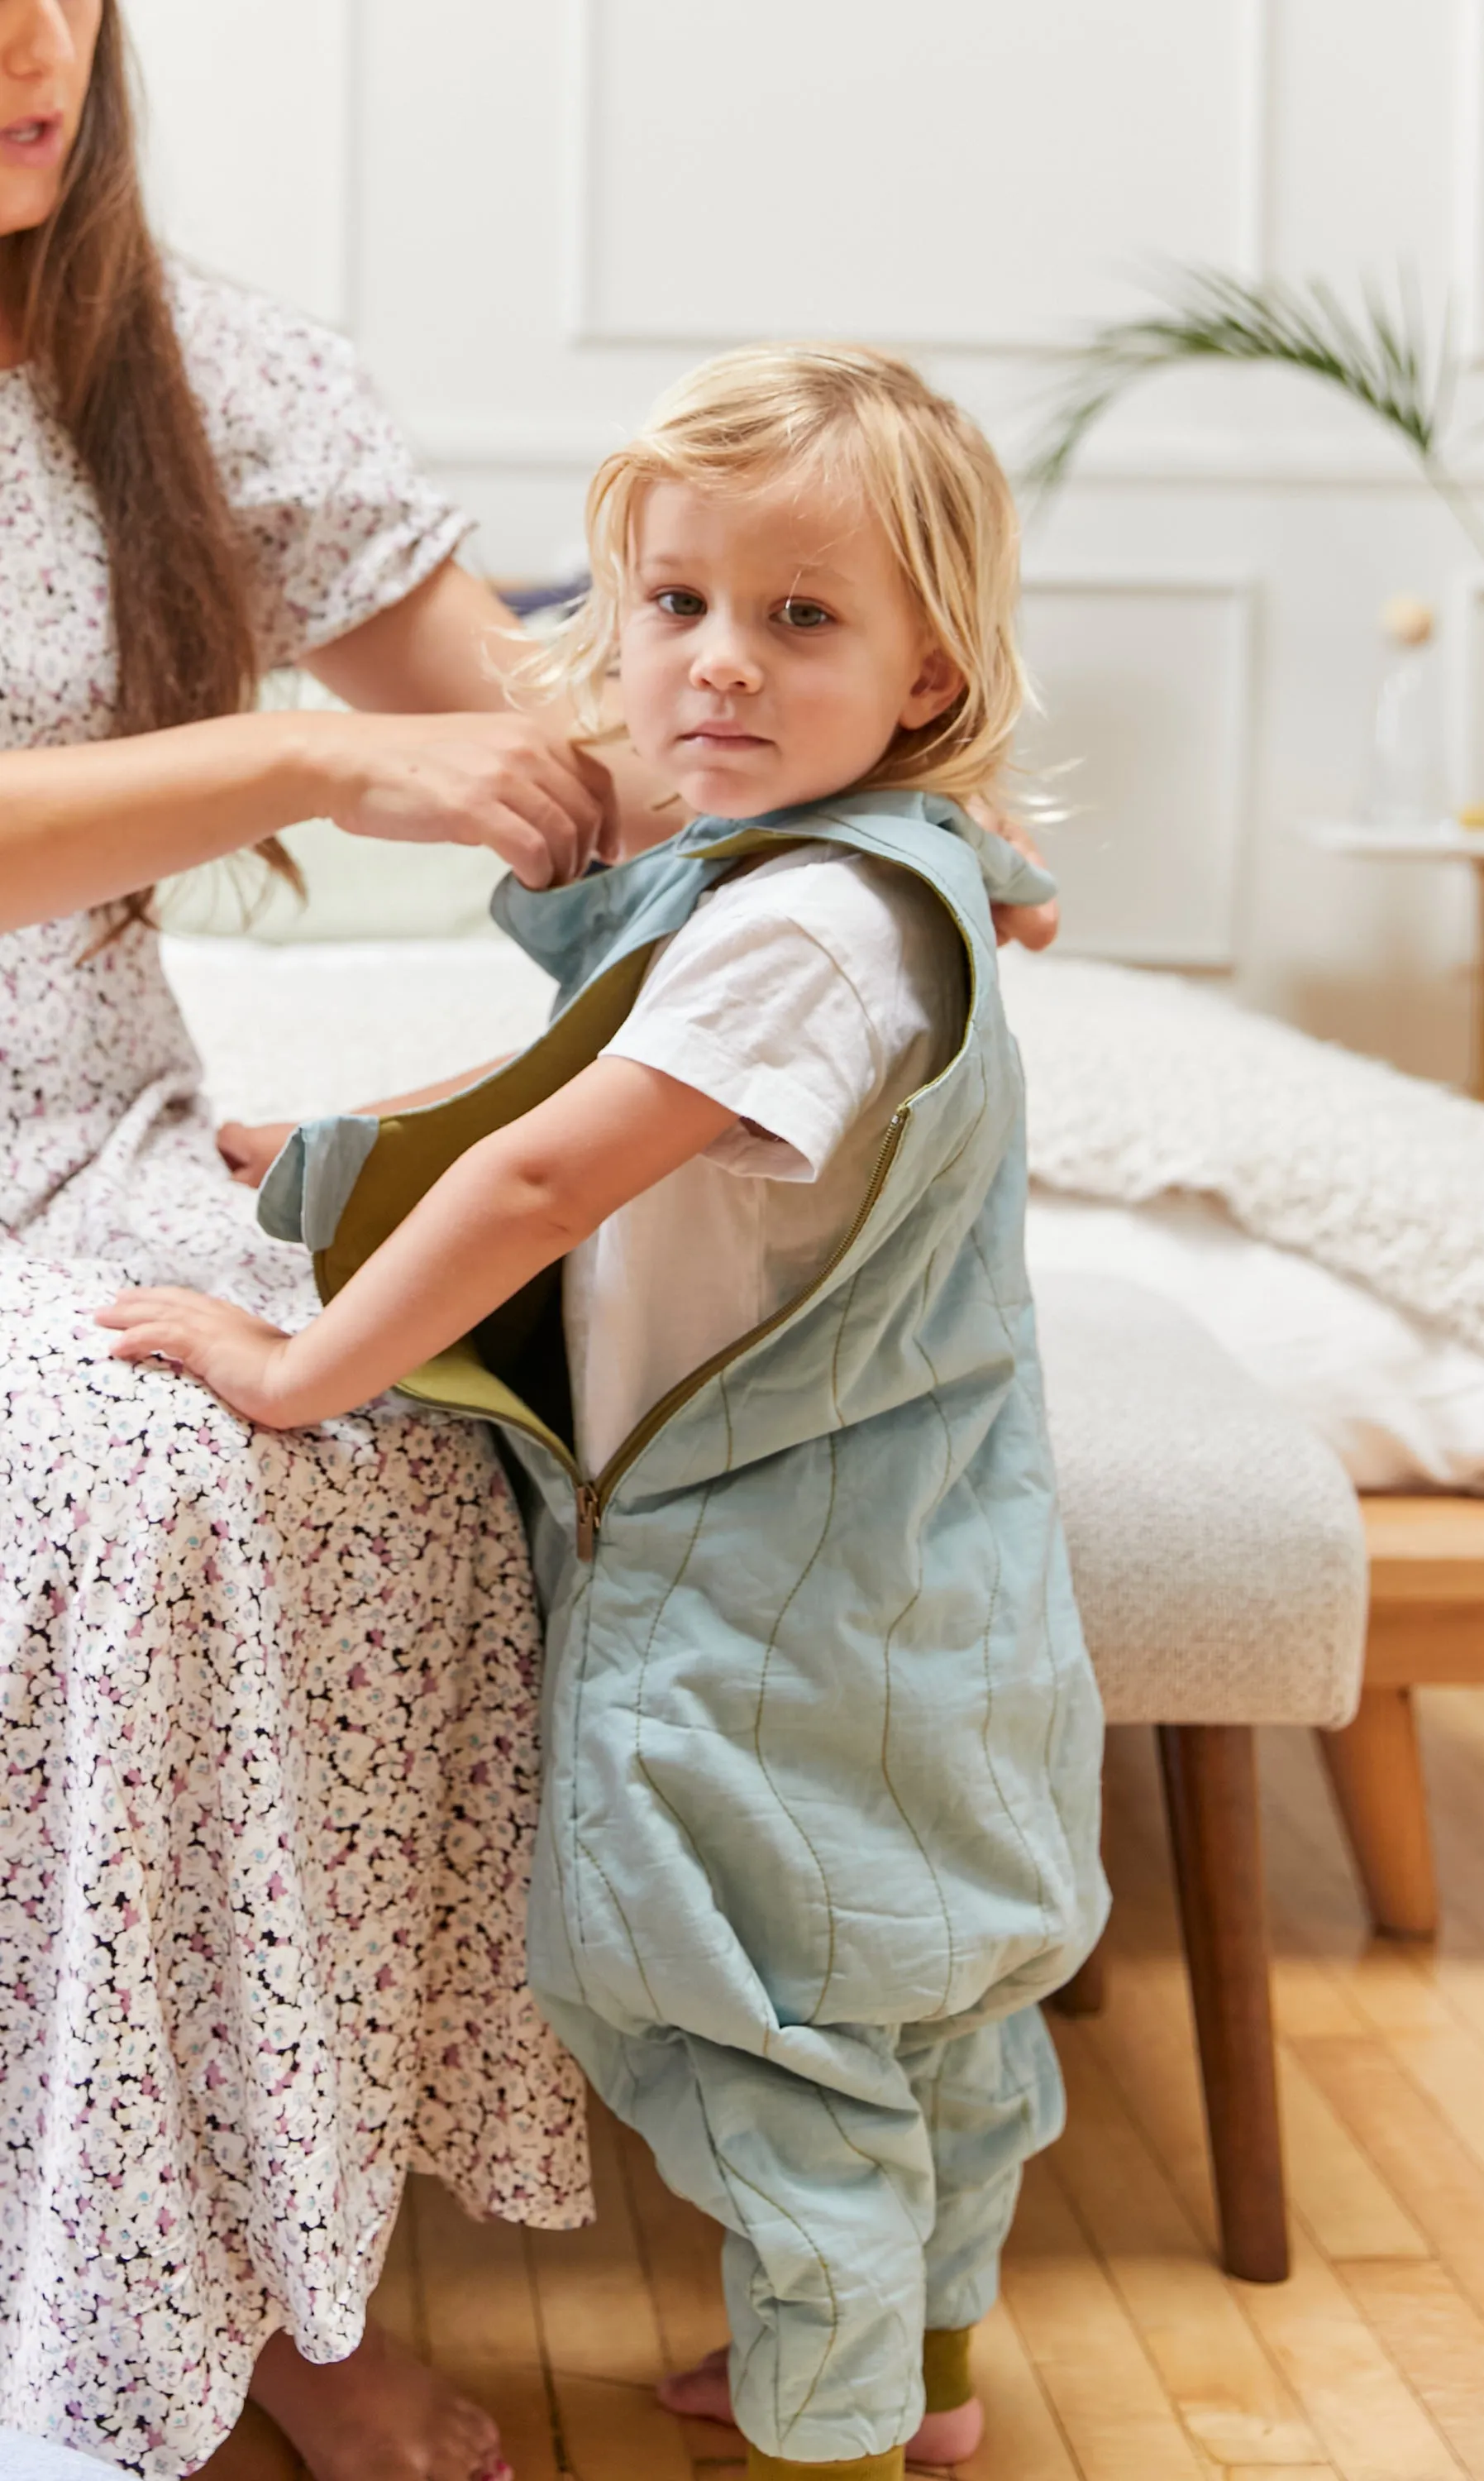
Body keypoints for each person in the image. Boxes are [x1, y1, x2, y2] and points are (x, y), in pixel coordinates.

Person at [102, 343, 1109, 2481]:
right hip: (928, 1577)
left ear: (929, 673)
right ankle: (913, 2387)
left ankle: (837, 2428)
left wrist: (299, 1361)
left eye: (801, 619)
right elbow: (553, 1099)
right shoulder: (842, 879)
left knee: (748, 2009)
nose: (717, 667)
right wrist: (300, 1146)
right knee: (919, 2007)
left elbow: (543, 1177)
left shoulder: (806, 935)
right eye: (671, 607)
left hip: (778, 1594)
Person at [0, 5, 626, 2475]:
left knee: (352, 1441)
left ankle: (280, 2258)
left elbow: (534, 750)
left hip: (96, 1142)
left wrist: (863, 826)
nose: (31, 48)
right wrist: (302, 751)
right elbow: (365, 747)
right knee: (138, 1502)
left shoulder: (218, 374)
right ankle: (175, 2282)